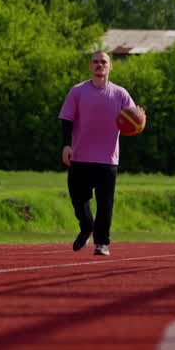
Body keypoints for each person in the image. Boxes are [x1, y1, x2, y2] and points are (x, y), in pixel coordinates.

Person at [58, 51, 139, 256]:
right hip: (80, 156)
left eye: (103, 62)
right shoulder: (77, 92)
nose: (99, 65)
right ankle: (86, 227)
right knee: (78, 198)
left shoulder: (120, 94)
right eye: (95, 61)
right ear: (90, 66)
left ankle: (102, 243)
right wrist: (67, 145)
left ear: (110, 66)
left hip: (107, 158)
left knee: (105, 203)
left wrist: (138, 120)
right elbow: (66, 119)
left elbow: (133, 117)